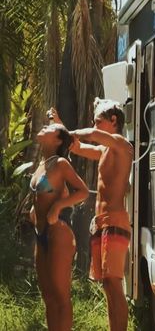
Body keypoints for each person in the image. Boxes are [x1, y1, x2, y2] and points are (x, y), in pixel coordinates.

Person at [49, 98, 133, 331]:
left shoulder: (121, 144)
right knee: (107, 285)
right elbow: (77, 146)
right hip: (101, 223)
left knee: (114, 284)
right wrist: (60, 126)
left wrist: (67, 130)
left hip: (115, 221)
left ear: (113, 120)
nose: (94, 125)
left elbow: (92, 136)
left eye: (97, 121)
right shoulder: (105, 150)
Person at [30, 123, 89, 331]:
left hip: (59, 232)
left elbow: (83, 192)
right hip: (41, 233)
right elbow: (42, 194)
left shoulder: (61, 164)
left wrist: (59, 205)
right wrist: (33, 209)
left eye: (49, 127)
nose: (44, 127)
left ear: (57, 140)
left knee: (61, 295)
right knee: (48, 296)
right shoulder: (41, 164)